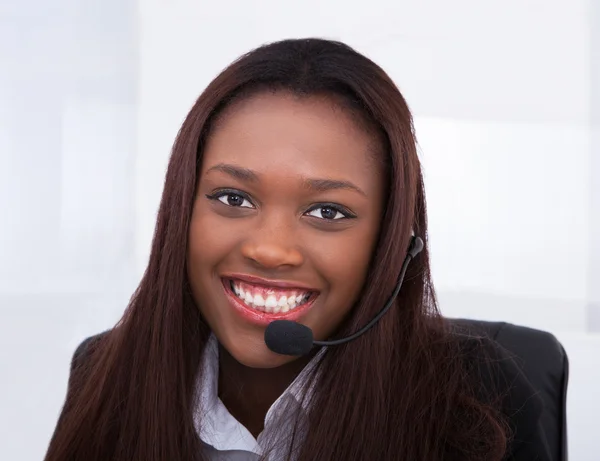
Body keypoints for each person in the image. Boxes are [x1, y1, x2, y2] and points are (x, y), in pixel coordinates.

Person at [44, 38, 550, 461]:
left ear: (396, 245)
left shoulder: (482, 404)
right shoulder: (105, 370)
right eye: (232, 198)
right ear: (181, 213)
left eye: (327, 212)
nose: (270, 250)